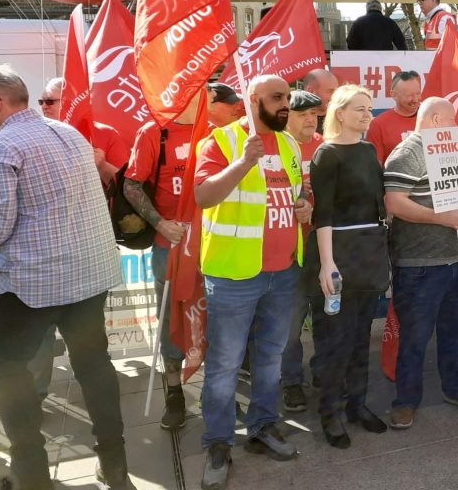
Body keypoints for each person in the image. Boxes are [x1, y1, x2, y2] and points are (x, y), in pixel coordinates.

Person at [0, 65, 133, 490]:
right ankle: (115, 467)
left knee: (6, 367)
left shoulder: (3, 147)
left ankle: (32, 475)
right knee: (94, 366)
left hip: (34, 283)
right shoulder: (69, 134)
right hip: (89, 278)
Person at [194, 75, 312, 490]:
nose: (286, 104)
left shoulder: (292, 144)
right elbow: (203, 197)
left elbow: (301, 193)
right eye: (278, 98)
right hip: (233, 276)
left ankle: (262, 426)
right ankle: (218, 443)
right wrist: (243, 162)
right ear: (253, 100)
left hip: (282, 273)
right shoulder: (222, 141)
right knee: (224, 366)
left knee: (271, 358)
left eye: (287, 98)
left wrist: (303, 207)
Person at [385, 97, 458, 429]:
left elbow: (455, 195)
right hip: (420, 265)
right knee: (414, 337)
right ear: (438, 120)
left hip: (455, 261)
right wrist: (437, 218)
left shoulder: (447, 151)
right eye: (453, 120)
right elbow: (395, 202)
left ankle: (457, 388)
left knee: (456, 331)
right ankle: (406, 401)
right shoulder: (407, 153)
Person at [309, 85, 389, 448]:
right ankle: (331, 413)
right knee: (336, 342)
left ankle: (357, 405)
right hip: (339, 252)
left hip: (370, 251)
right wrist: (327, 265)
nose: (366, 114)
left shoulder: (370, 150)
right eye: (359, 108)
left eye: (369, 108)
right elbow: (322, 214)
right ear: (339, 113)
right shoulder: (326, 155)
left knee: (360, 338)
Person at [122, 94, 200, 429]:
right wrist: (160, 223)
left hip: (213, 243)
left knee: (215, 315)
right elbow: (131, 184)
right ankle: (174, 394)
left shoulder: (215, 129)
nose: (206, 96)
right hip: (170, 244)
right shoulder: (154, 132)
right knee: (172, 319)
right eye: (200, 90)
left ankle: (220, 389)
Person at [280, 91, 325, 413]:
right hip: (287, 251)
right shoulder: (275, 147)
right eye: (303, 114)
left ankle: (323, 371)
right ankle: (292, 381)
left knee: (325, 314)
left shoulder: (323, 145)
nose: (311, 120)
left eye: (314, 114)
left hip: (321, 246)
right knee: (290, 322)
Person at [40, 76, 127, 186]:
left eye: (49, 101)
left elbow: (125, 186)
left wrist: (102, 166)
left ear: (70, 102)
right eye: (41, 102)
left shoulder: (106, 133)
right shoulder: (39, 136)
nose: (44, 106)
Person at [367, 70, 421, 164]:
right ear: (393, 95)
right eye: (409, 95)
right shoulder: (379, 124)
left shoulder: (431, 118)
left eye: (418, 94)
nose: (416, 99)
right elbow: (374, 168)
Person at [303, 69, 339, 133]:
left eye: (337, 91)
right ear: (310, 91)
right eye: (330, 91)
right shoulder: (293, 122)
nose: (335, 96)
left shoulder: (341, 119)